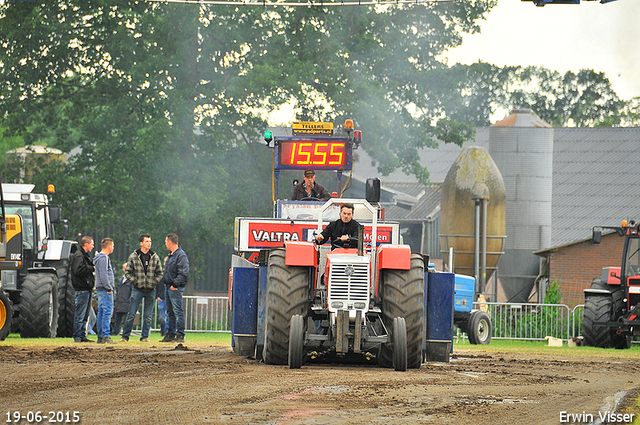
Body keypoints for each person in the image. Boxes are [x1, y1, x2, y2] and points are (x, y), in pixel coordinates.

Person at [120, 234, 163, 342]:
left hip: (150, 290)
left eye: (150, 241)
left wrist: (154, 282)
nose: (149, 243)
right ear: (141, 243)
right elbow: (128, 272)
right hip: (137, 289)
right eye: (147, 241)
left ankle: (144, 337)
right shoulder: (134, 256)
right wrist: (135, 281)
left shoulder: (154, 256)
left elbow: (160, 273)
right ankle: (125, 336)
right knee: (131, 314)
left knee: (148, 316)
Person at [160, 233, 189, 343]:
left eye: (166, 242)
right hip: (168, 287)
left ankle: (180, 334)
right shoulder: (171, 255)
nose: (165, 244)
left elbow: (183, 273)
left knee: (177, 311)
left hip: (175, 288)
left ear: (170, 242)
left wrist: (174, 285)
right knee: (170, 312)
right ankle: (170, 334)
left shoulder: (181, 256)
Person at [71, 236, 95, 343]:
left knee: (85, 315)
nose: (93, 246)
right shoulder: (79, 256)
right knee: (80, 314)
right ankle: (77, 336)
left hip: (87, 289)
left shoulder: (84, 255)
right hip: (82, 289)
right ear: (86, 244)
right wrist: (91, 268)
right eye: (92, 244)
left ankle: (82, 335)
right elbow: (78, 270)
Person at [94, 238, 116, 344]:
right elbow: (104, 274)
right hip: (105, 289)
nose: (113, 248)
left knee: (101, 312)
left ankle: (101, 336)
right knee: (107, 311)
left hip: (101, 288)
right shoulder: (104, 258)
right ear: (108, 246)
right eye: (112, 246)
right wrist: (109, 288)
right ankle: (106, 335)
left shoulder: (99, 258)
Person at [111, 263, 132, 336]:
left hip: (127, 303)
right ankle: (115, 332)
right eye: (124, 268)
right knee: (117, 320)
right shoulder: (121, 280)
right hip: (119, 302)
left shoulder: (132, 280)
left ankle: (126, 333)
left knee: (127, 320)